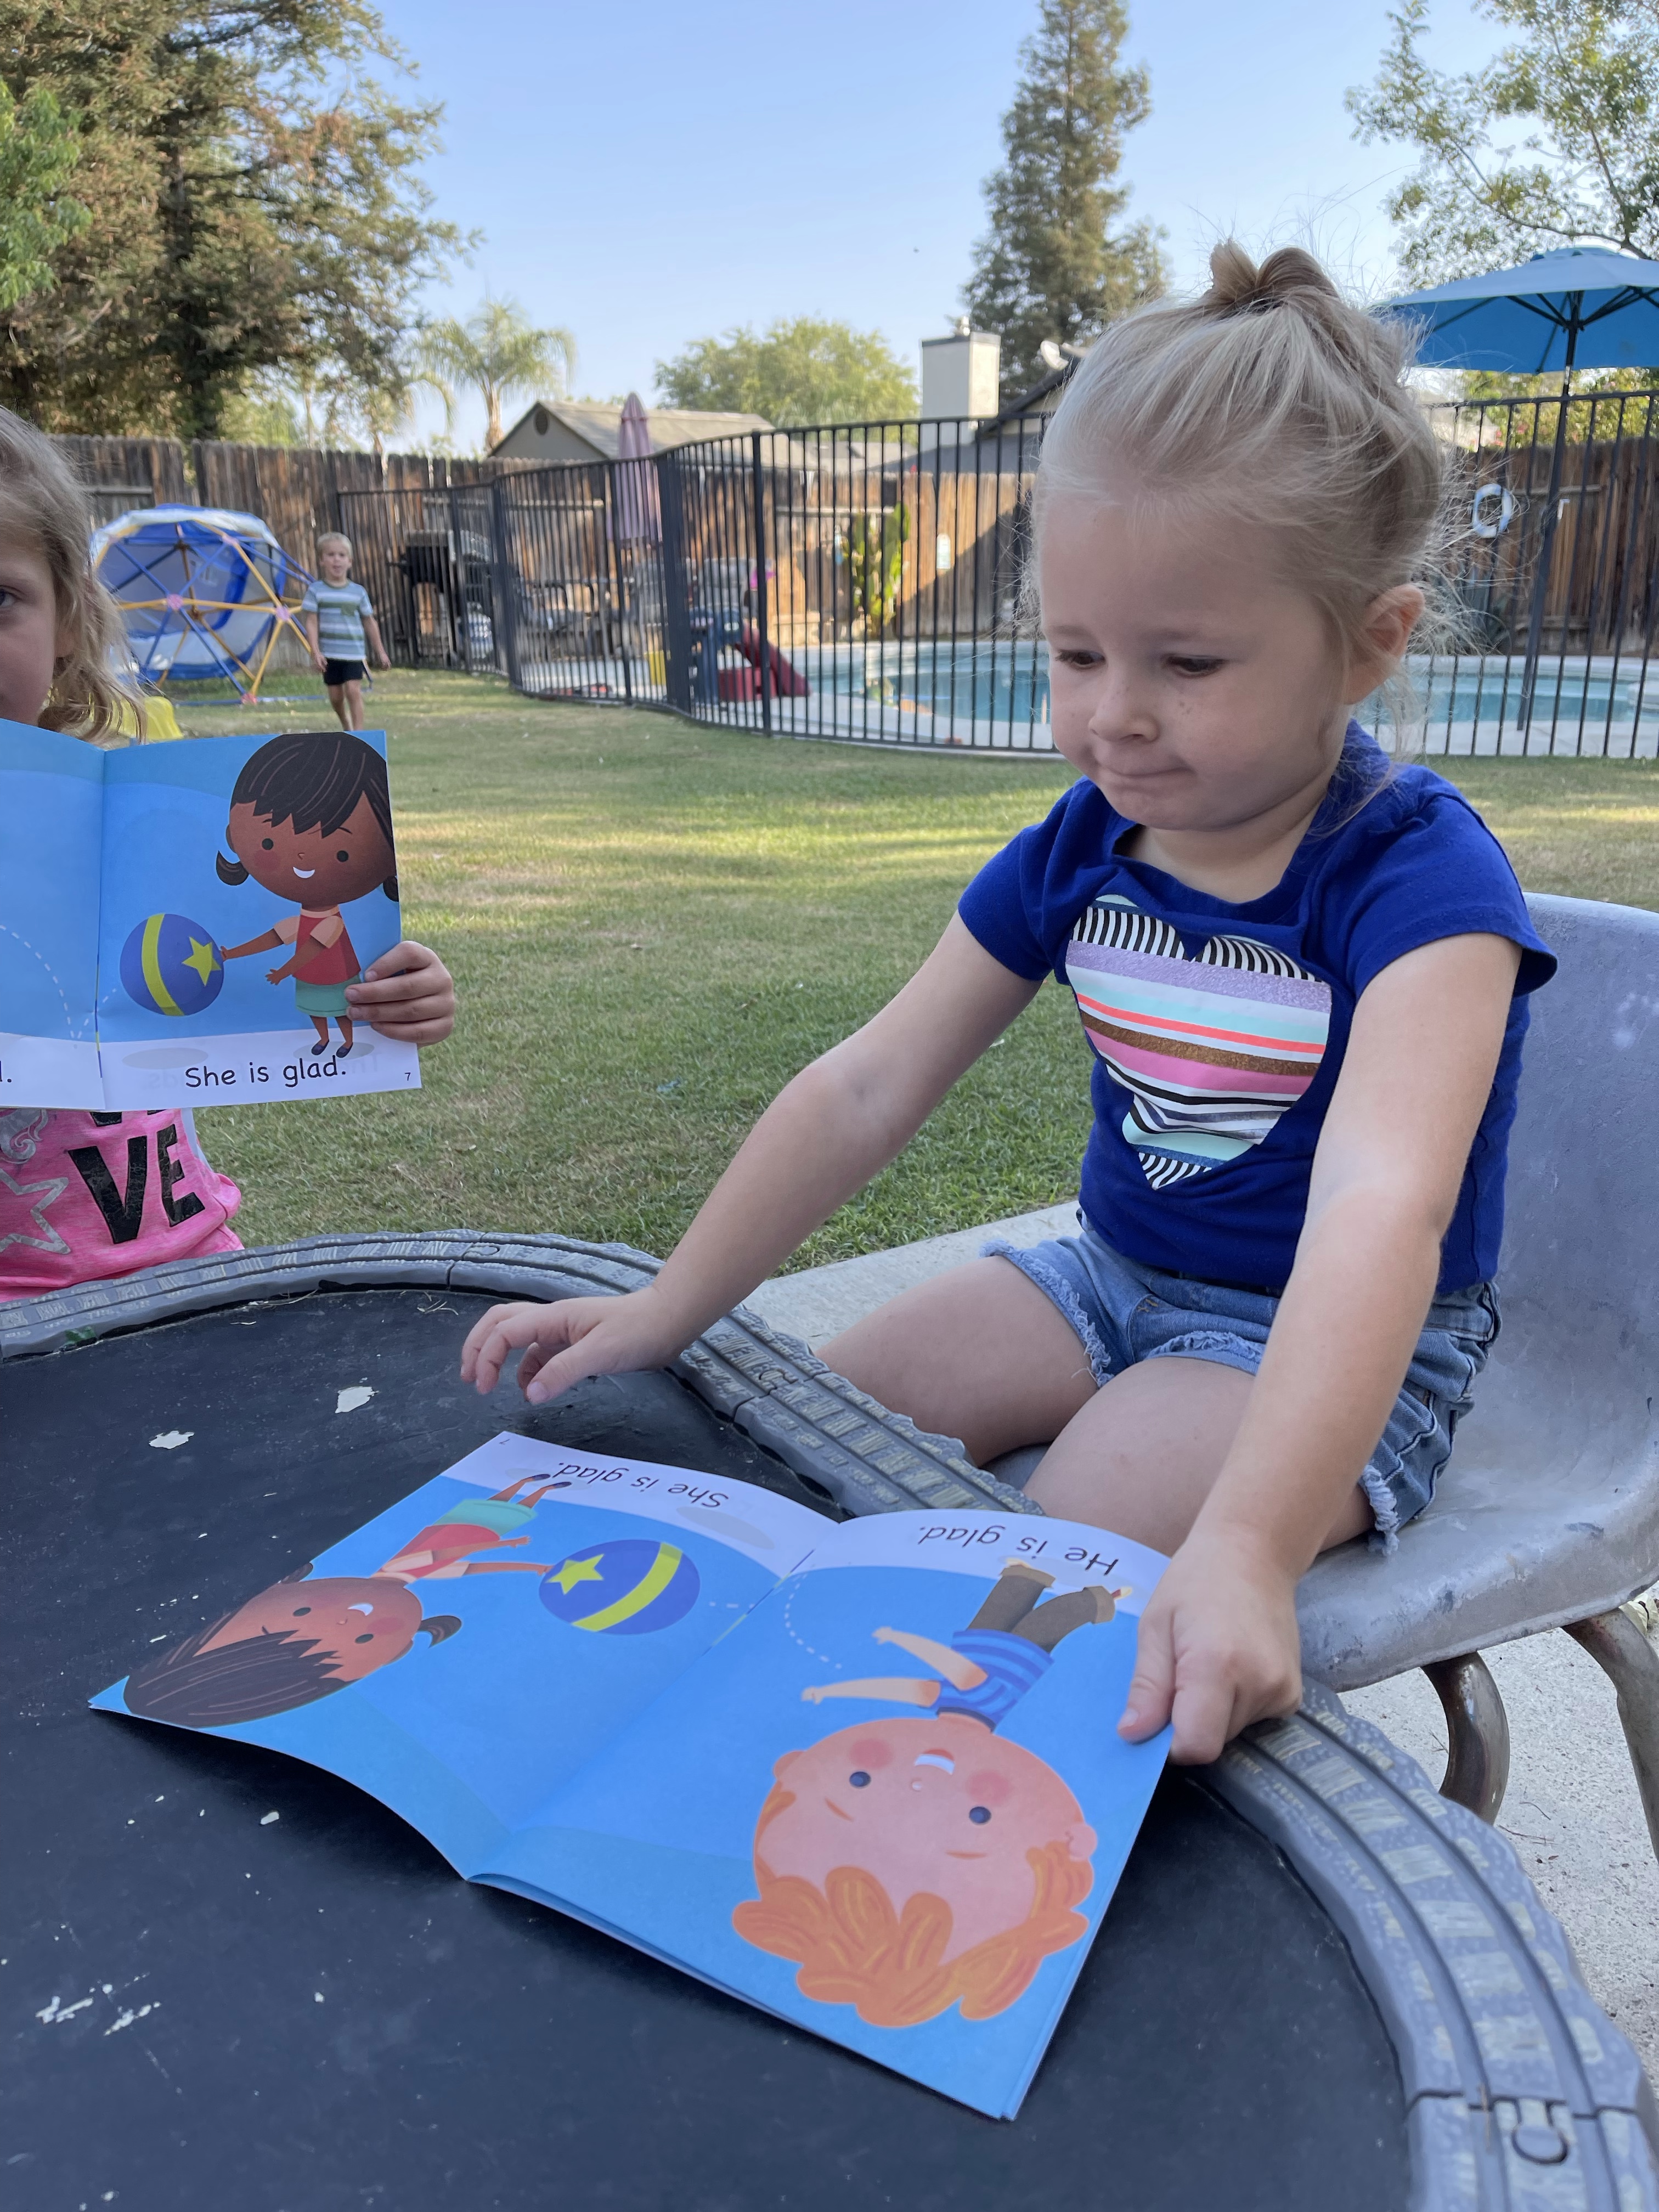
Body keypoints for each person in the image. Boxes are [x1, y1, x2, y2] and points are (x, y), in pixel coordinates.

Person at [461, 244, 1556, 1769]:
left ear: (1373, 640)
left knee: (1050, 1558)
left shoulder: (1422, 881)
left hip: (1334, 1357)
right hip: (1107, 1278)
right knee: (810, 1435)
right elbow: (869, 1084)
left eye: (1186, 661)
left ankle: (863, 1800)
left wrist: (1248, 1547)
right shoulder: (1085, 841)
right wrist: (667, 1308)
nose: (1114, 713)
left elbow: (1383, 1214)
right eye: (1075, 653)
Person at [0, 405, 457, 1301]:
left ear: (68, 617)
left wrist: (396, 995)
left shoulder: (142, 796)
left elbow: (279, 949)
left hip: (195, 1261)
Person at [217, 729, 401, 1056]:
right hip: (309, 977)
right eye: (269, 843)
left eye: (342, 853)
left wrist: (285, 971)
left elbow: (311, 950)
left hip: (334, 976)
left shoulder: (331, 924)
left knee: (342, 1008)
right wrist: (232, 954)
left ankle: (347, 1040)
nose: (302, 857)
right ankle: (324, 1039)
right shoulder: (301, 922)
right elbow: (274, 938)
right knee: (315, 1009)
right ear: (234, 838)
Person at [301, 532, 389, 733]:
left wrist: (381, 651)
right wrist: (315, 652)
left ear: (350, 562)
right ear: (322, 560)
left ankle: (358, 735)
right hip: (330, 654)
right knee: (336, 697)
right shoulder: (316, 591)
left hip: (353, 654)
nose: (336, 560)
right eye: (331, 555)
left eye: (341, 555)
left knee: (353, 690)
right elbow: (312, 622)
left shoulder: (358, 592)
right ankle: (345, 722)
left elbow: (370, 622)